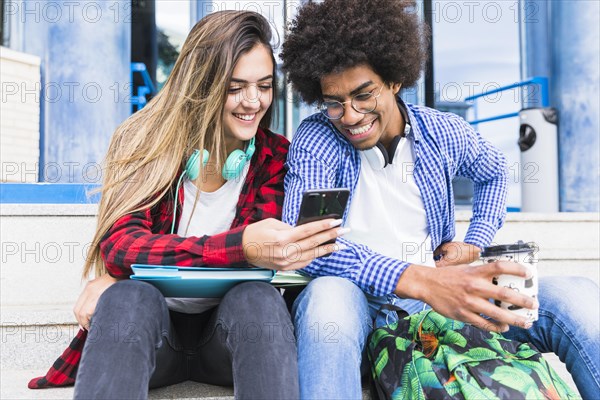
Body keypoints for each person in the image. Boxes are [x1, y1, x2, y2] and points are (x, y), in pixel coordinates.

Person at [280, 0, 600, 398]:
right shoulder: (317, 139)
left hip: (442, 294)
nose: (349, 115)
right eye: (334, 102)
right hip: (359, 298)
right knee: (326, 302)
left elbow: (495, 172)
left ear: (395, 80)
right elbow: (310, 244)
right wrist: (420, 281)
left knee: (580, 296)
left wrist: (474, 241)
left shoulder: (442, 132)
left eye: (364, 95)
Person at [28, 10, 345, 399]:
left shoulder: (276, 157)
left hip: (227, 337)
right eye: (235, 87)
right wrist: (241, 244)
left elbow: (275, 258)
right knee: (127, 296)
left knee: (257, 298)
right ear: (202, 84)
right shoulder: (144, 144)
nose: (254, 101)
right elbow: (121, 245)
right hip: (152, 330)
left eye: (264, 86)